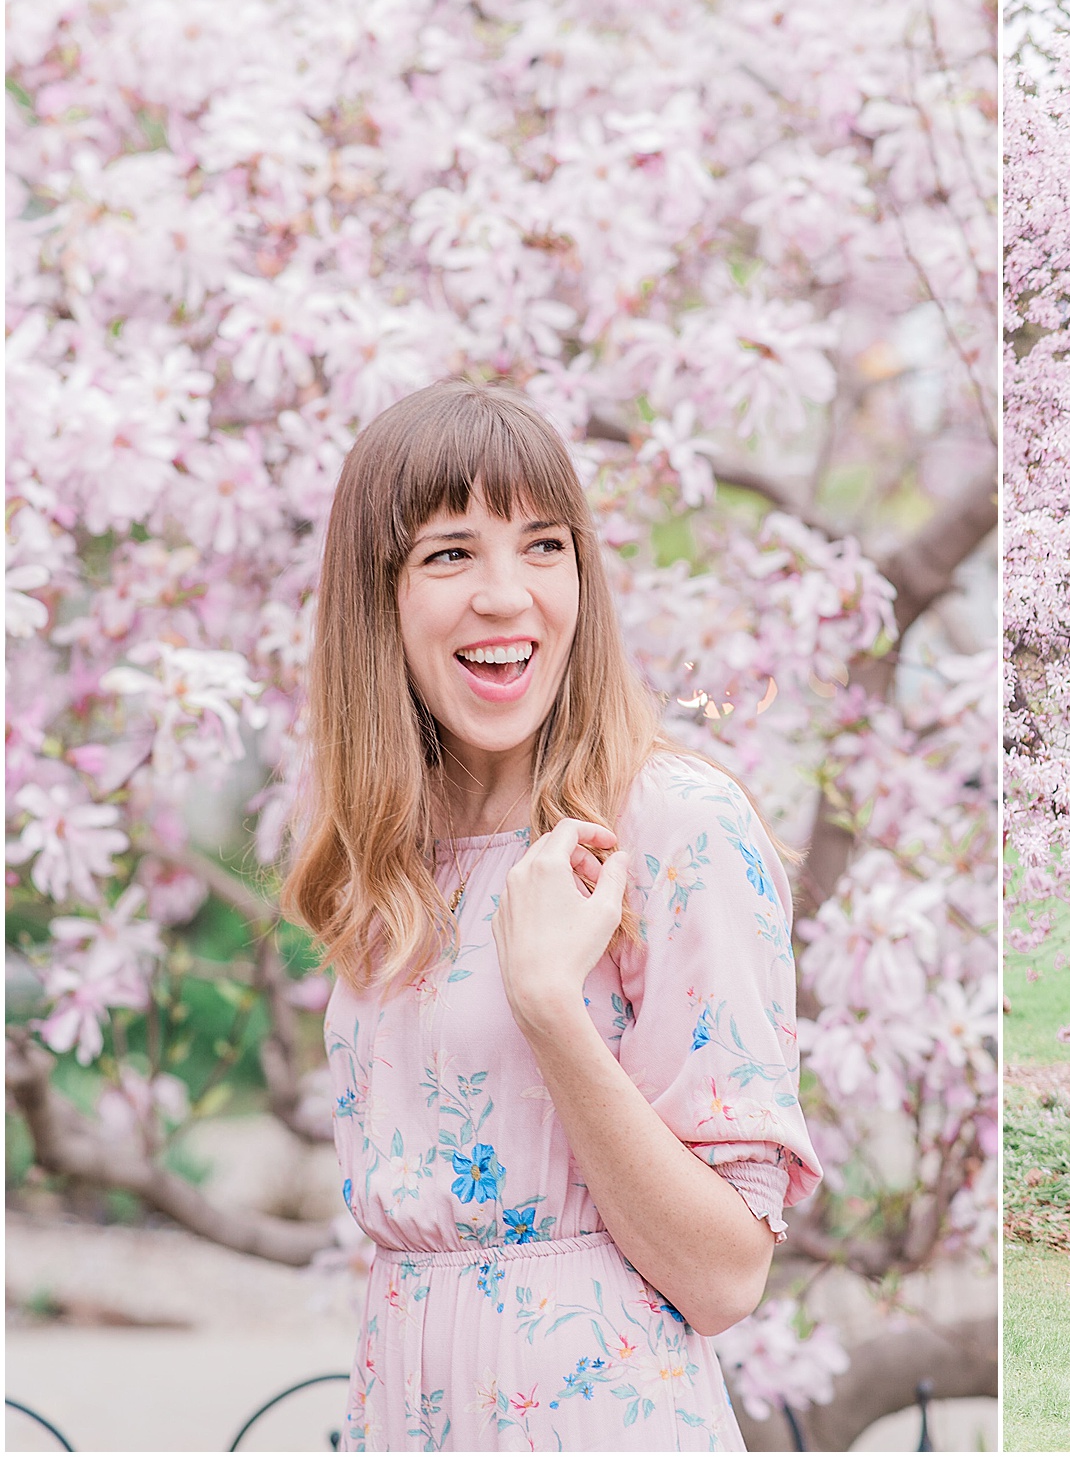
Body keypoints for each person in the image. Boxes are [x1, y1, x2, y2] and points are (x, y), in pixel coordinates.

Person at [283, 379, 820, 1450]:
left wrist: (549, 1007)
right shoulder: (388, 861)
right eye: (449, 553)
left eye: (542, 546)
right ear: (375, 595)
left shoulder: (669, 827)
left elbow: (724, 1275)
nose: (506, 596)